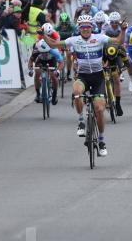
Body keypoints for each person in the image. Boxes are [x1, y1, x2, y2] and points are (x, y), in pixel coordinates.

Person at [41, 14, 124, 156]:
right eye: (82, 27)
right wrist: (43, 35)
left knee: (99, 109)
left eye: (88, 27)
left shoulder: (100, 38)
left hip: (98, 78)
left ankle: (102, 141)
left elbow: (118, 41)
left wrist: (123, 30)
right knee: (77, 93)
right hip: (83, 76)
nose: (85, 29)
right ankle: (81, 121)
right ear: (79, 28)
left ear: (92, 28)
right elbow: (54, 44)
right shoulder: (74, 40)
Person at [28, 39, 62, 105]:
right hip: (40, 61)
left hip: (52, 61)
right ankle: (38, 94)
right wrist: (30, 70)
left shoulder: (54, 51)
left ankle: (54, 95)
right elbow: (30, 61)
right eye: (42, 53)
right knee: (37, 73)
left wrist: (58, 71)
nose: (44, 54)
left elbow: (61, 63)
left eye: (46, 52)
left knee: (53, 76)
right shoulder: (36, 51)